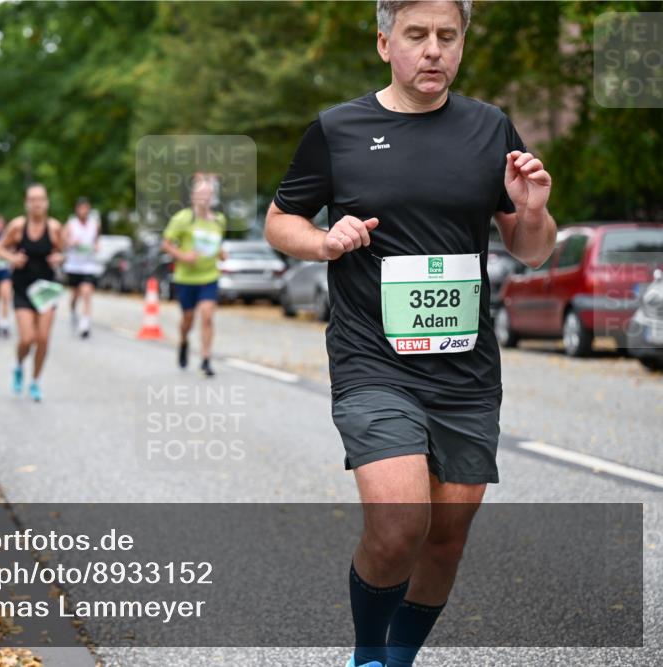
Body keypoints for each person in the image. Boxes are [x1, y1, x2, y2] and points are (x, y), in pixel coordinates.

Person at [264, 2, 557, 666]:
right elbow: (280, 221)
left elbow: (533, 250)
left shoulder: (490, 129)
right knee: (400, 524)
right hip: (372, 360)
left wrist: (534, 211)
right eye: (417, 34)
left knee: (445, 540)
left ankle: (398, 660)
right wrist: (324, 239)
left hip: (465, 369)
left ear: (462, 43)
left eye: (447, 36)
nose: (433, 49)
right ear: (383, 42)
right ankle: (369, 656)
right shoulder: (338, 130)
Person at [0, 183, 65, 402]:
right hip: (23, 289)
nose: (37, 204)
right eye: (33, 199)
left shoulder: (54, 228)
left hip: (46, 291)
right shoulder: (18, 226)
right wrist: (12, 258)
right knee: (27, 338)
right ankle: (18, 366)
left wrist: (59, 258)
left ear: (47, 202)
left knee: (42, 338)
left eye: (40, 199)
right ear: (26, 203)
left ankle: (35, 381)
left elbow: (64, 252)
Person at [160, 173, 227, 377]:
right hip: (186, 278)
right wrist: (183, 256)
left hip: (209, 276)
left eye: (208, 194)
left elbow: (216, 244)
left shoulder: (219, 220)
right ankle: (183, 341)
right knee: (188, 319)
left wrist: (221, 253)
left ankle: (206, 359)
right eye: (201, 194)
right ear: (193, 196)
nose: (205, 198)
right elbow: (165, 244)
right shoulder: (182, 219)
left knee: (207, 315)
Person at [63, 197, 100, 338]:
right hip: (73, 265)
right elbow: (62, 240)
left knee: (86, 292)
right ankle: (73, 312)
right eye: (81, 208)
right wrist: (71, 242)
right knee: (75, 295)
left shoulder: (94, 224)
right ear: (77, 209)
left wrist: (96, 246)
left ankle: (85, 324)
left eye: (86, 208)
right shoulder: (71, 224)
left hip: (88, 265)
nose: (84, 211)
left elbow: (97, 240)